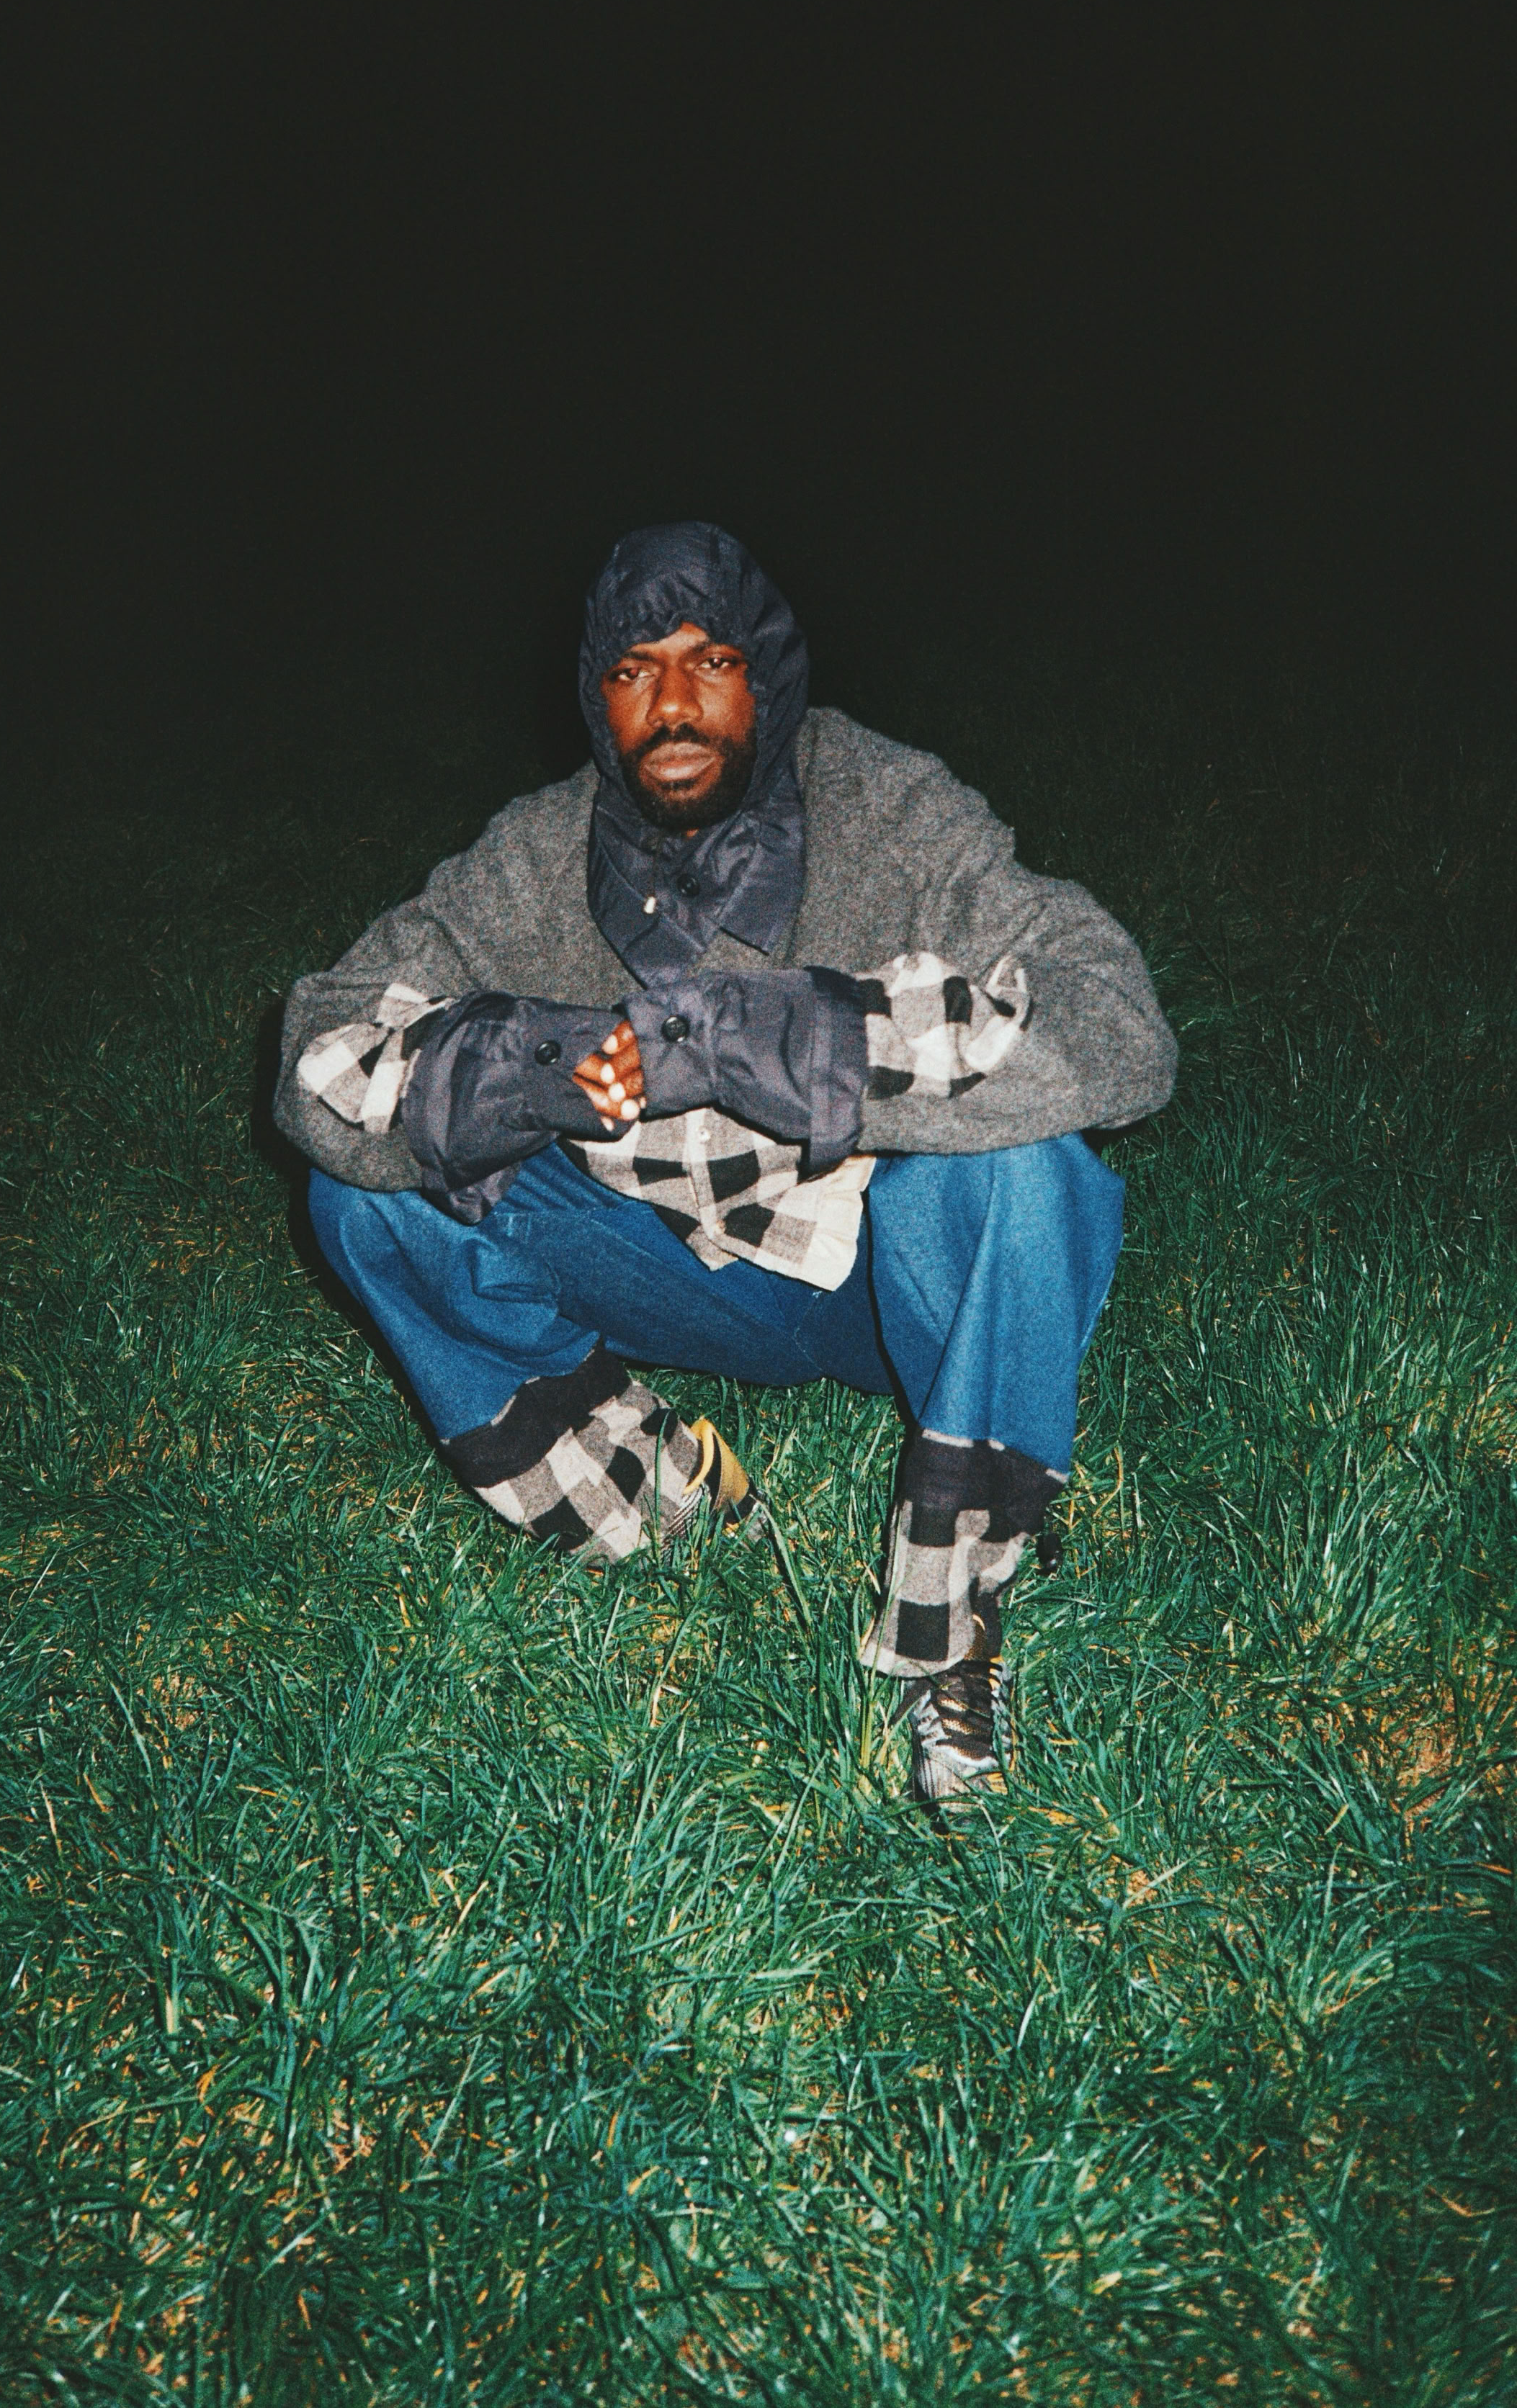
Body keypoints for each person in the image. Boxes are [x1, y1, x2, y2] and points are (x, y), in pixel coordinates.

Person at [274, 524, 1176, 1807]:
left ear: (770, 676)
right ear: (597, 701)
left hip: (880, 1281)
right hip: (660, 1263)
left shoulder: (890, 809)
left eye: (710, 662)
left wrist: (814, 1041)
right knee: (363, 1196)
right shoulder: (534, 856)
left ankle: (952, 1633)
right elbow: (322, 1044)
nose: (673, 705)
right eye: (633, 671)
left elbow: (1117, 1018)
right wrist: (526, 1064)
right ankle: (662, 1492)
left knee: (1030, 1173)